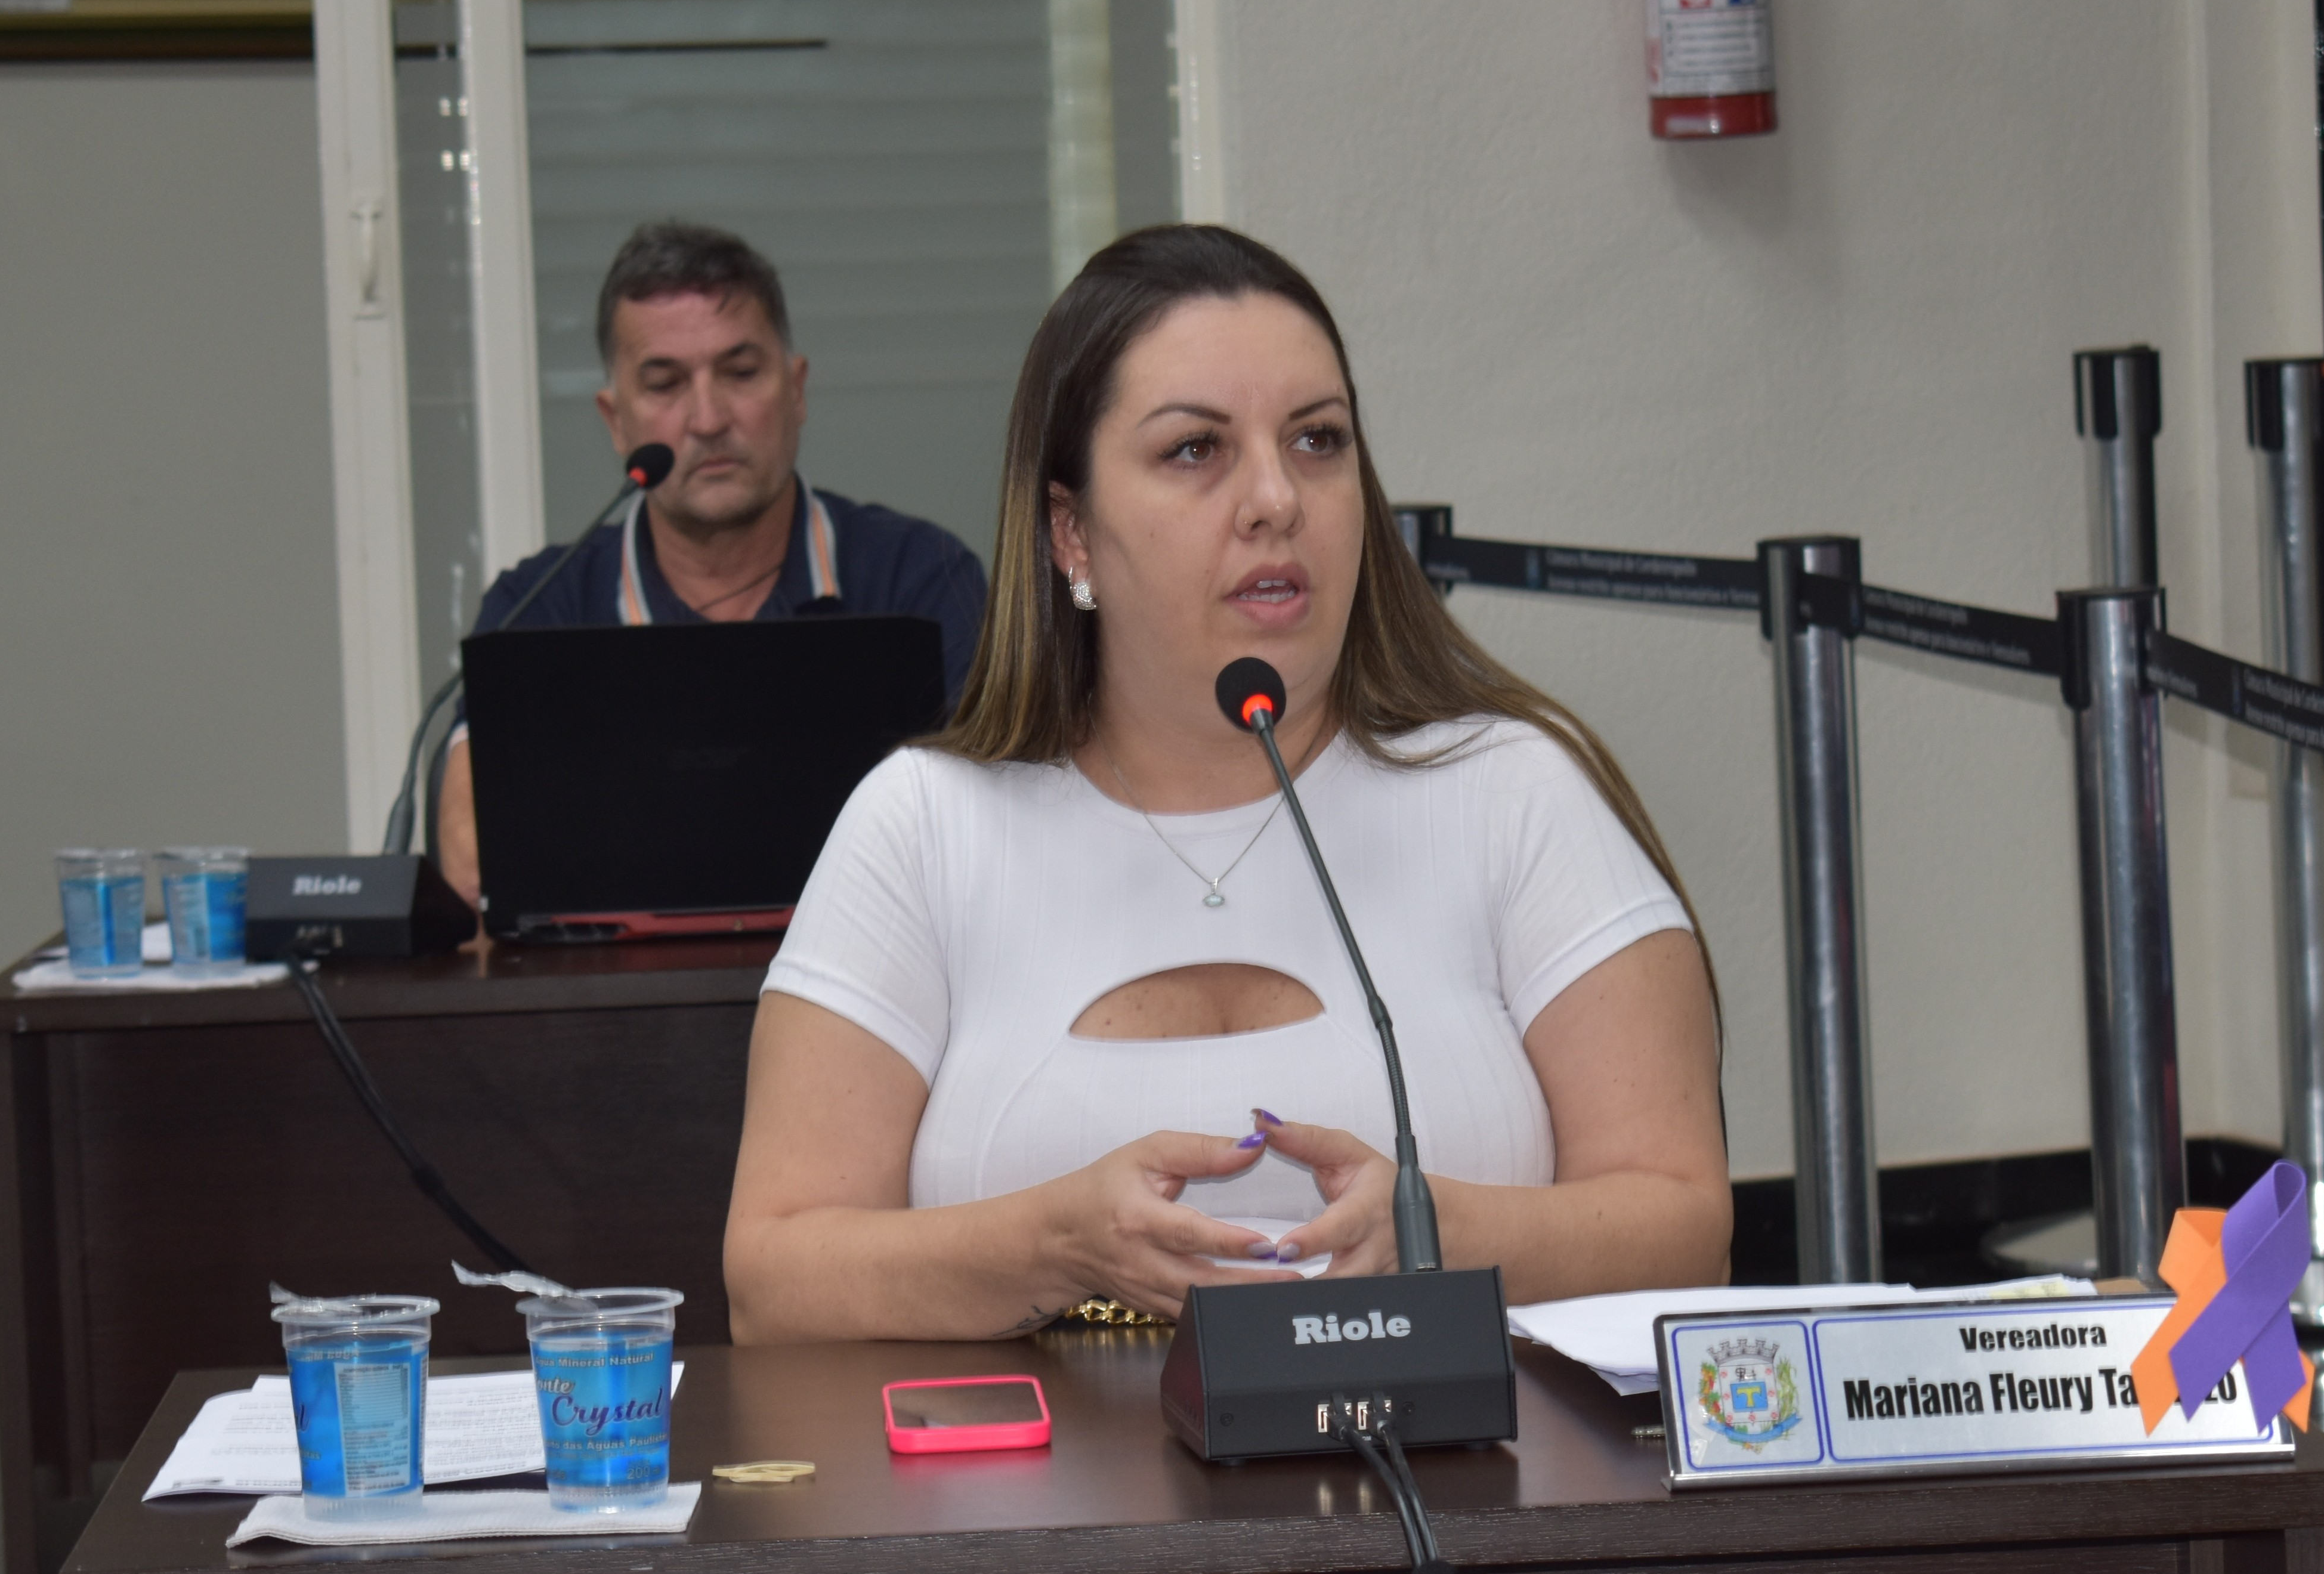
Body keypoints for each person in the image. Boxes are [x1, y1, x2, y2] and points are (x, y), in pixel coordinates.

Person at [722, 223, 1728, 1341]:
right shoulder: (924, 826)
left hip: (1464, 1455)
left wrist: (1436, 1232)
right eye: (1196, 450)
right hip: (1041, 1459)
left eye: (1317, 440)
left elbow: (1684, 1223)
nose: (1276, 499)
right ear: (1072, 534)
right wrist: (1051, 1247)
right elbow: (772, 1279)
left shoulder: (1514, 790)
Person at [435, 221, 987, 905]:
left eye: (741, 372)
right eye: (665, 384)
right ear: (615, 421)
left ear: (796, 389)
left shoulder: (922, 579)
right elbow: (471, 859)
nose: (707, 418)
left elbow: (985, 834)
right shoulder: (538, 606)